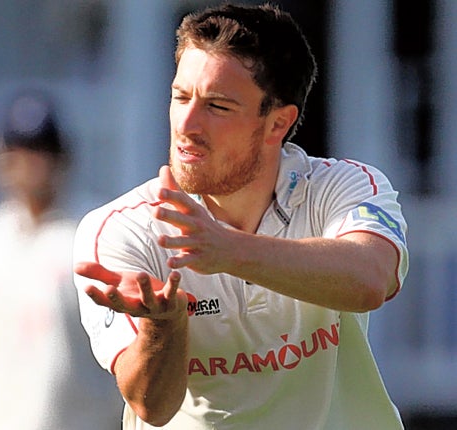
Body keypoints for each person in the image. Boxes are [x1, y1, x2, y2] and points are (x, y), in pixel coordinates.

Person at [73, 3, 409, 429]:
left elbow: (370, 279)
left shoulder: (342, 186)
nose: (187, 124)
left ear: (277, 124)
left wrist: (228, 249)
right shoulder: (120, 229)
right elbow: (151, 406)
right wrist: (165, 325)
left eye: (218, 106)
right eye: (180, 96)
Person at [0, 88, 123, 430]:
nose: (28, 164)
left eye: (40, 150)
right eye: (17, 150)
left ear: (62, 158)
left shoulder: (99, 235)